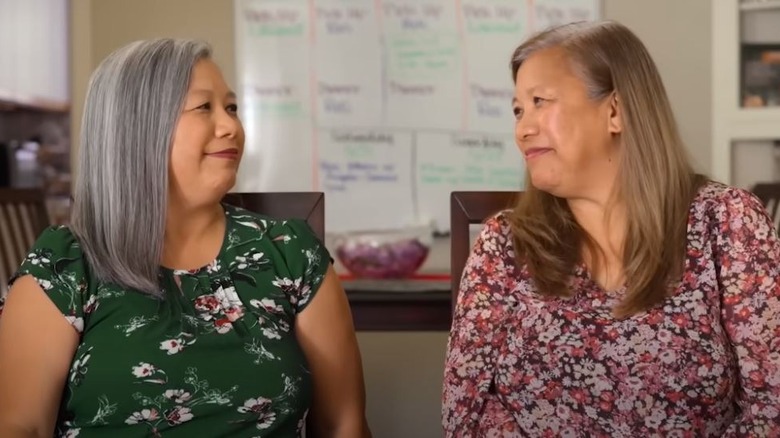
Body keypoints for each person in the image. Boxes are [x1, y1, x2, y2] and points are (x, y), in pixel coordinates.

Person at [0, 38, 371, 438]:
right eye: (203, 108)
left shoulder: (291, 253)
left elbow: (343, 424)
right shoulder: (66, 264)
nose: (232, 126)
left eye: (231, 108)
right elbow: (21, 426)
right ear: (138, 127)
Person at [442, 20, 780, 437]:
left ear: (616, 111)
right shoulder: (503, 245)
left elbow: (771, 407)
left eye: (539, 102)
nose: (523, 128)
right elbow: (468, 411)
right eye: (518, 110)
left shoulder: (729, 221)